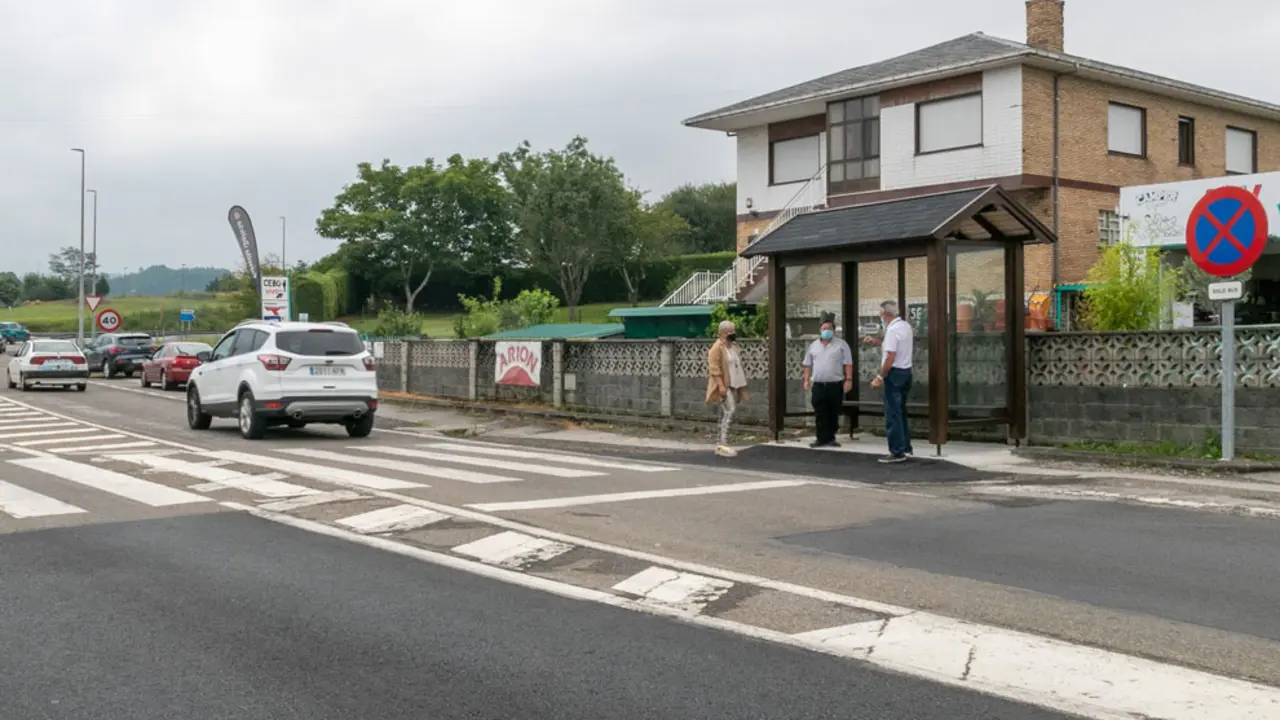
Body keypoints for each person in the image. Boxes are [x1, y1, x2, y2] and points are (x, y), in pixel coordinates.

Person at [868, 300, 914, 463]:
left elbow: (890, 356)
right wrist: (877, 342)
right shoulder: (905, 326)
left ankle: (897, 451)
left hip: (894, 374)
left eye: (881, 313)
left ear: (885, 314)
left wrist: (880, 377)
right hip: (906, 371)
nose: (880, 316)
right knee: (901, 411)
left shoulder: (892, 330)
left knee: (892, 413)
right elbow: (896, 347)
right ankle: (905, 446)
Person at [801, 315, 852, 448]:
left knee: (833, 411)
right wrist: (806, 380)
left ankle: (831, 437)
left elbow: (848, 363)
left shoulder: (842, 344)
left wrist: (849, 379)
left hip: (835, 384)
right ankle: (820, 438)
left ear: (833, 330)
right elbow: (807, 364)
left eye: (829, 328)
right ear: (820, 330)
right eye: (824, 328)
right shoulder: (813, 346)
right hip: (819, 384)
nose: (826, 331)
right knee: (820, 411)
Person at [705, 320, 748, 458]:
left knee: (728, 412)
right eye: (730, 332)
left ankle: (723, 442)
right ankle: (723, 443)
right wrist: (721, 386)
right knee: (730, 410)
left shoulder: (733, 347)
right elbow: (714, 369)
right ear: (723, 333)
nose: (733, 334)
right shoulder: (717, 348)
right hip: (724, 384)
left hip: (735, 383)